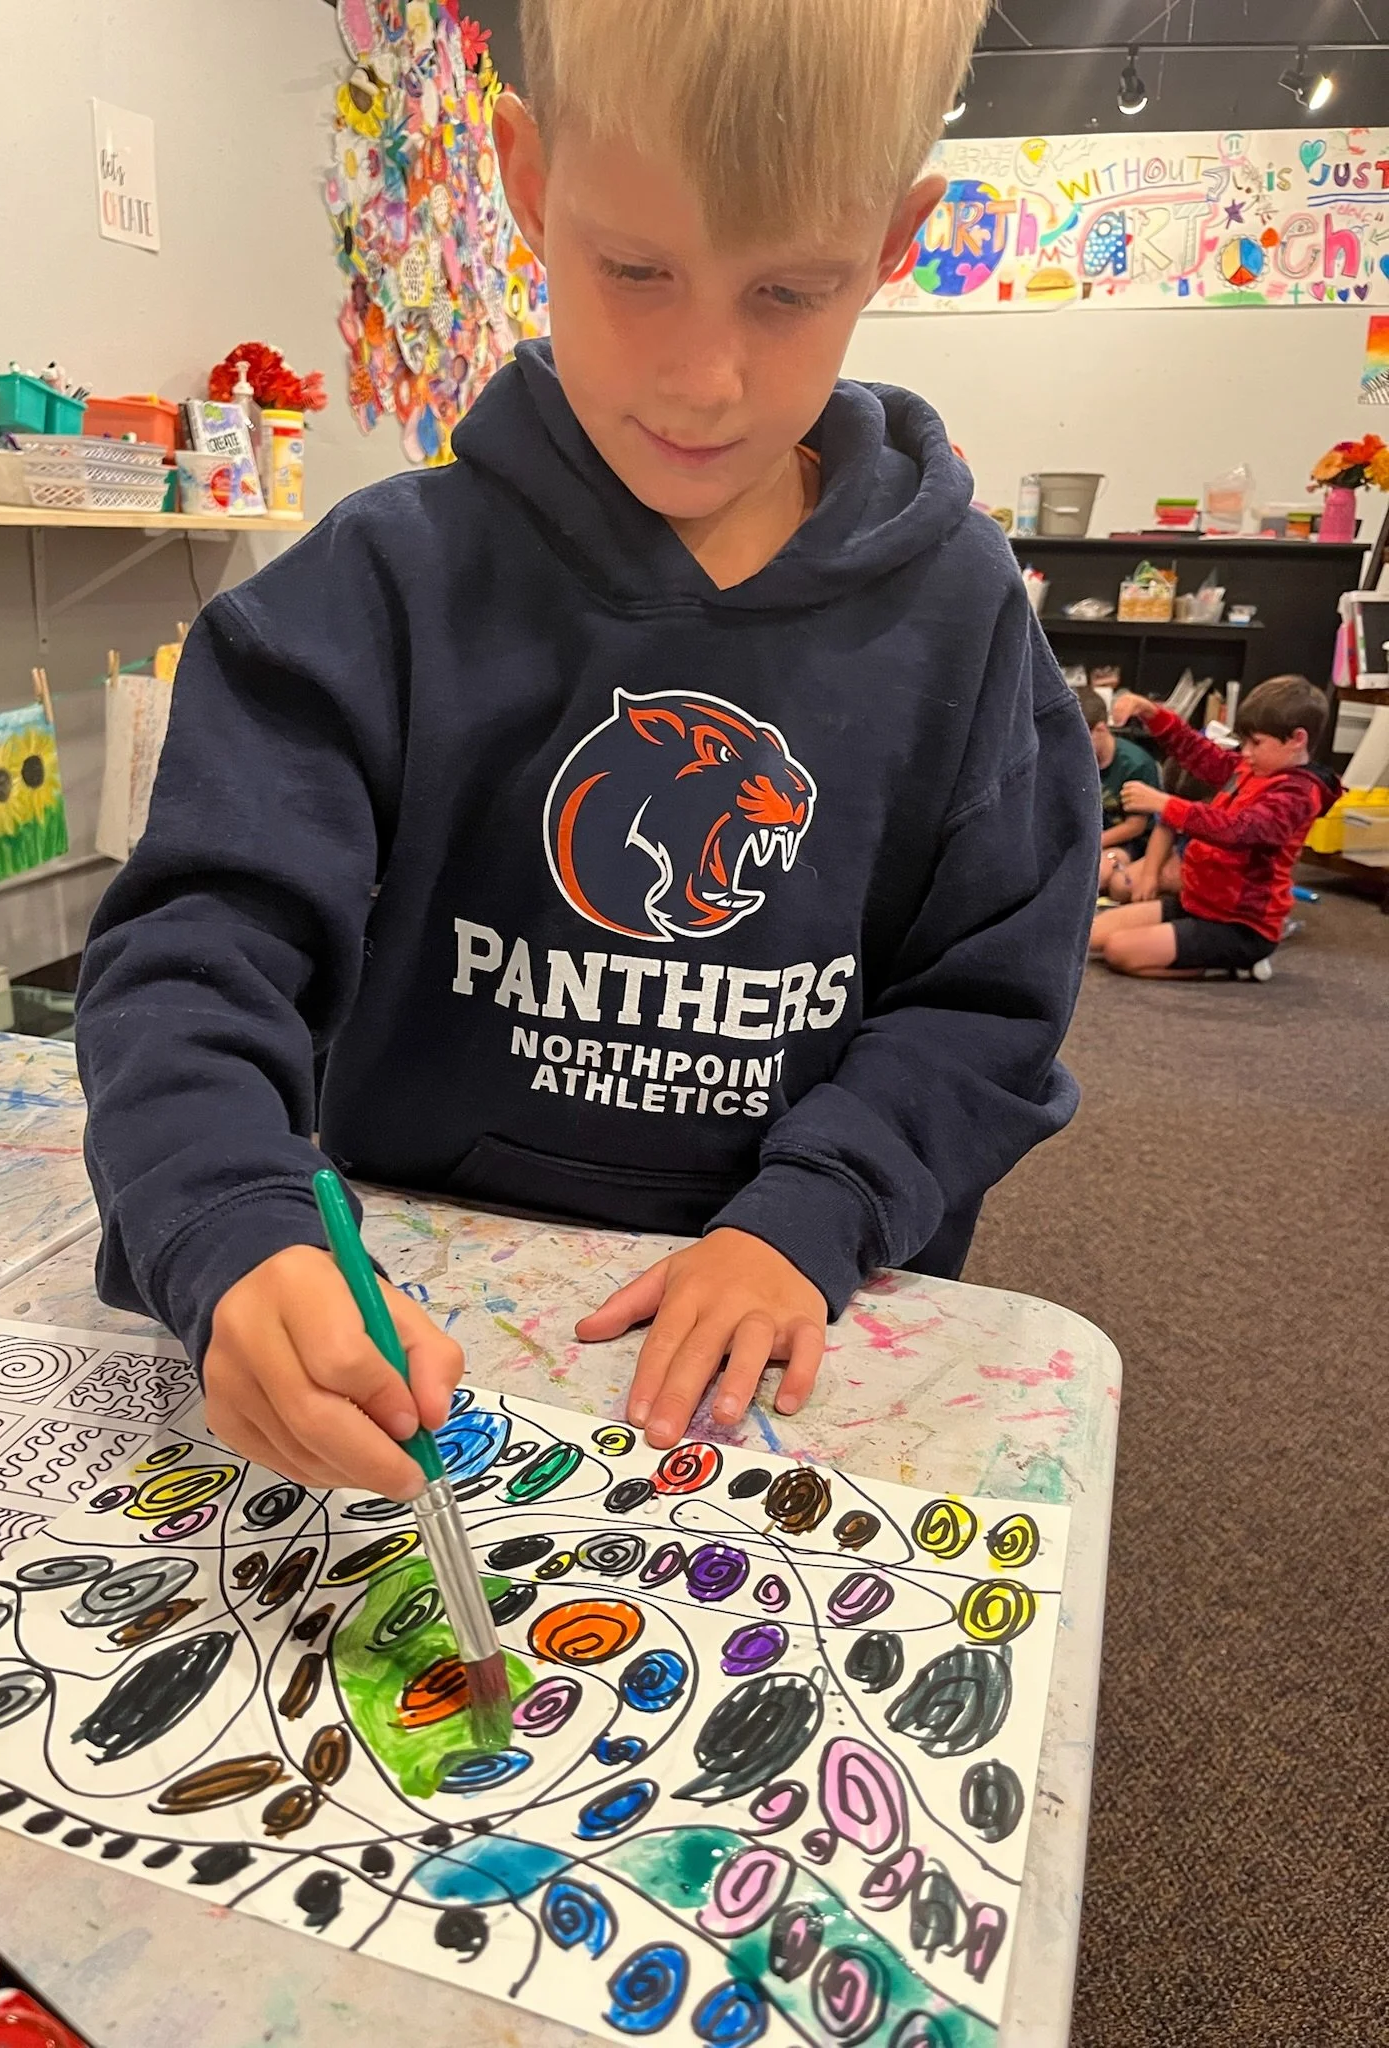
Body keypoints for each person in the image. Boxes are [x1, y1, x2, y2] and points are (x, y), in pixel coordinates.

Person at [75, 0, 1099, 1501]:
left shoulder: (967, 616)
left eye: (787, 291)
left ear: (893, 243)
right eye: (636, 271)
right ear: (529, 180)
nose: (703, 378)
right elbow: (193, 954)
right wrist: (227, 1220)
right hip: (411, 1319)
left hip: (800, 1330)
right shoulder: (377, 588)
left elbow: (989, 1001)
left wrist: (817, 1206)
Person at [1090, 676, 1340, 977]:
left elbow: (1239, 830)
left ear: (1297, 740)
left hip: (1240, 926)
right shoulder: (1253, 767)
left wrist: (1166, 804)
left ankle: (1232, 966)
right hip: (1198, 903)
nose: (1245, 752)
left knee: (1119, 951)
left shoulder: (1298, 795)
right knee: (1090, 935)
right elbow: (1199, 753)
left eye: (1256, 743)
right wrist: (1151, 712)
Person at [1075, 686, 1159, 893]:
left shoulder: (1136, 764)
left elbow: (1134, 827)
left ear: (1101, 729)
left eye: (1079, 739)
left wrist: (1088, 844)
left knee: (1095, 875)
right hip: (1084, 836)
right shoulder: (1074, 761)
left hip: (1127, 842)